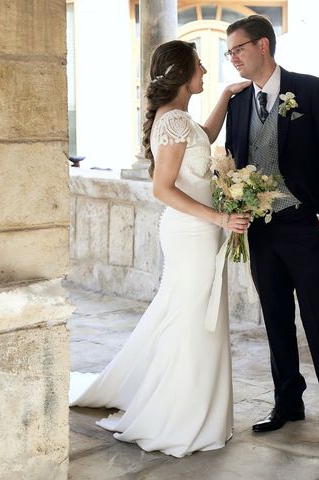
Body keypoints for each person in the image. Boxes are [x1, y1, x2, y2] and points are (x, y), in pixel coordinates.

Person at [69, 40, 250, 457]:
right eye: (201, 68)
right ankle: (180, 417)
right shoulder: (170, 123)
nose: (205, 73)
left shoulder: (180, 120)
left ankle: (199, 409)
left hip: (200, 231)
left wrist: (223, 95)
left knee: (192, 315)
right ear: (183, 75)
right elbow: (162, 188)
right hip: (192, 233)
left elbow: (203, 137)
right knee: (191, 320)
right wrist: (221, 218)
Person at [224, 15, 319, 443]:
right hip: (262, 231)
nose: (233, 59)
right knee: (275, 317)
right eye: (229, 53)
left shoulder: (311, 89)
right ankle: (287, 403)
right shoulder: (238, 101)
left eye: (238, 50)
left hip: (305, 225)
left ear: (263, 46)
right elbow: (234, 160)